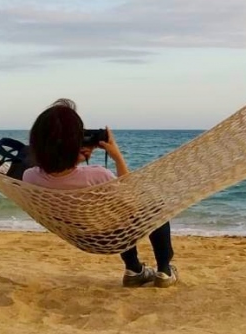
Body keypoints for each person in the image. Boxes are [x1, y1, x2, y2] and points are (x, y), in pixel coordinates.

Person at [21, 99, 177, 287]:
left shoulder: (29, 177)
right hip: (114, 237)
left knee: (114, 213)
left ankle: (134, 269)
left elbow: (59, 177)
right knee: (154, 207)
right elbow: (131, 199)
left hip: (82, 237)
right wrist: (117, 156)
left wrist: (74, 157)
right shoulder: (98, 175)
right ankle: (164, 270)